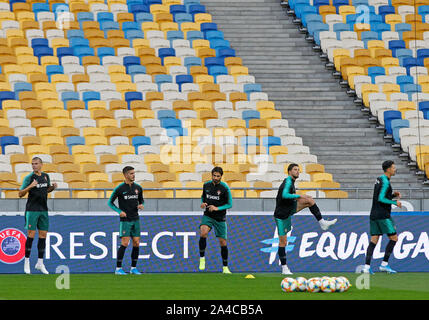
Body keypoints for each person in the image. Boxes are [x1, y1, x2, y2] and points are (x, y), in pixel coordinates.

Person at [274, 163, 337, 275]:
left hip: (288, 209)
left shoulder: (291, 182)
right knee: (283, 242)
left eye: (298, 169)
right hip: (281, 215)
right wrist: (299, 196)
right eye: (295, 169)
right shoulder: (288, 181)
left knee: (309, 200)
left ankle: (322, 223)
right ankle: (284, 268)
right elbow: (284, 195)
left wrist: (301, 196)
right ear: (289, 171)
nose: (297, 171)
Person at [19, 157, 57, 274]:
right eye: (32, 164)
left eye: (36, 164)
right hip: (32, 210)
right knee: (31, 235)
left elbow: (45, 190)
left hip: (43, 210)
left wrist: (52, 187)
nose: (34, 166)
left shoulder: (46, 176)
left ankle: (40, 263)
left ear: (41, 165)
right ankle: (27, 262)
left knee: (43, 235)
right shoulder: (29, 178)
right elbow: (20, 193)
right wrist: (30, 186)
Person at [363, 160, 401, 274]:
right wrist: (395, 203)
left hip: (374, 214)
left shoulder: (380, 179)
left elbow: (381, 195)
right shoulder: (385, 181)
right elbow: (381, 199)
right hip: (383, 215)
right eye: (393, 168)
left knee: (374, 240)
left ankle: (366, 267)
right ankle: (384, 264)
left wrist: (393, 195)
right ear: (388, 169)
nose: (395, 169)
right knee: (394, 238)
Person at [108, 166, 144, 275]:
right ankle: (118, 268)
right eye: (131, 173)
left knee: (136, 243)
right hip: (125, 221)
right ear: (125, 175)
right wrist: (119, 211)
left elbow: (141, 200)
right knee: (125, 243)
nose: (133, 175)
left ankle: (133, 268)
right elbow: (110, 203)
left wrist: (141, 205)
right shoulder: (119, 189)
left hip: (135, 219)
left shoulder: (138, 188)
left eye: (134, 173)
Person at [199, 166, 233, 274]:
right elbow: (203, 197)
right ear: (212, 175)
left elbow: (229, 204)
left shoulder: (224, 188)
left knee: (222, 242)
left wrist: (217, 208)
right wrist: (203, 203)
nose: (216, 178)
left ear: (221, 177)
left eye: (218, 176)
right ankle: (202, 258)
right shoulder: (206, 185)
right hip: (208, 215)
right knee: (203, 232)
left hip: (220, 218)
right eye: (214, 175)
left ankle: (225, 267)